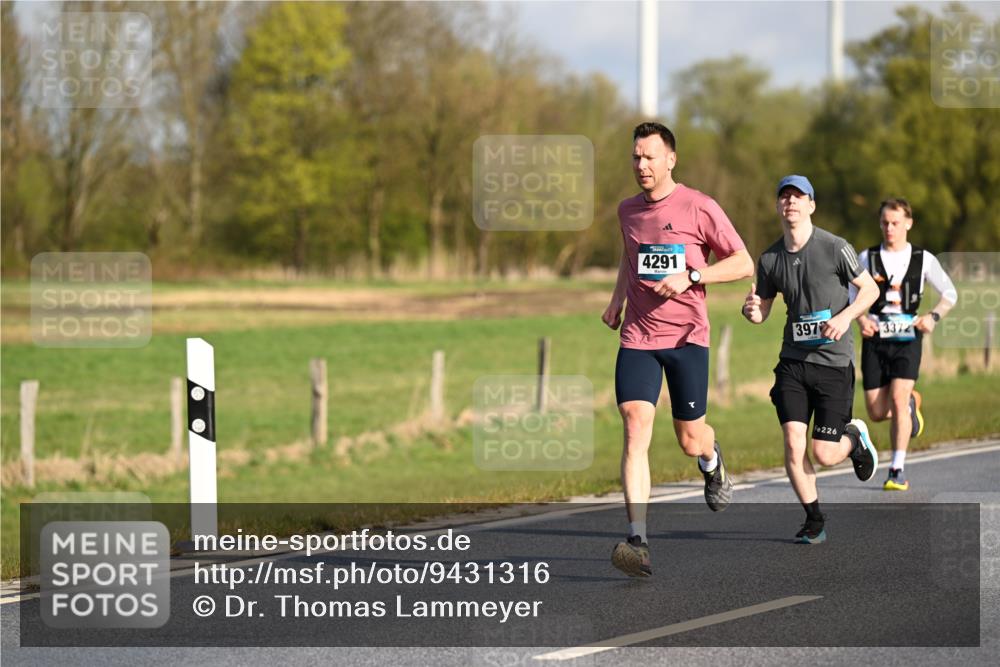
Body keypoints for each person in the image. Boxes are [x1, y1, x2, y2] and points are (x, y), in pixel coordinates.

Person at [602, 122, 754, 577]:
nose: (641, 165)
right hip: (639, 337)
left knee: (689, 438)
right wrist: (617, 300)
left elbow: (742, 261)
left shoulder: (699, 206)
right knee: (635, 423)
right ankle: (638, 540)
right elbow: (631, 258)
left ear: (671, 159)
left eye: (649, 157)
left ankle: (712, 458)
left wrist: (692, 276)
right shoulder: (627, 211)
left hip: (687, 337)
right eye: (635, 157)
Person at [742, 175, 880, 544]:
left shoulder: (836, 248)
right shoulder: (769, 258)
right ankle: (814, 519)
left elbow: (870, 289)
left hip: (833, 362)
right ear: (778, 206)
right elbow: (763, 312)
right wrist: (752, 310)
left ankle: (854, 436)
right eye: (784, 197)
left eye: (798, 197)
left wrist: (845, 317)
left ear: (811, 205)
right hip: (793, 361)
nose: (790, 203)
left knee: (825, 453)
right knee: (792, 442)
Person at [851, 198, 957, 491]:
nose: (889, 228)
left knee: (897, 399)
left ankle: (896, 469)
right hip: (875, 340)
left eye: (895, 223)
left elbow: (950, 293)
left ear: (908, 223)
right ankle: (910, 407)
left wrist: (932, 317)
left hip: (908, 339)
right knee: (875, 412)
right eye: (885, 222)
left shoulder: (923, 258)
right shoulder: (865, 258)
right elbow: (851, 297)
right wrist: (861, 321)